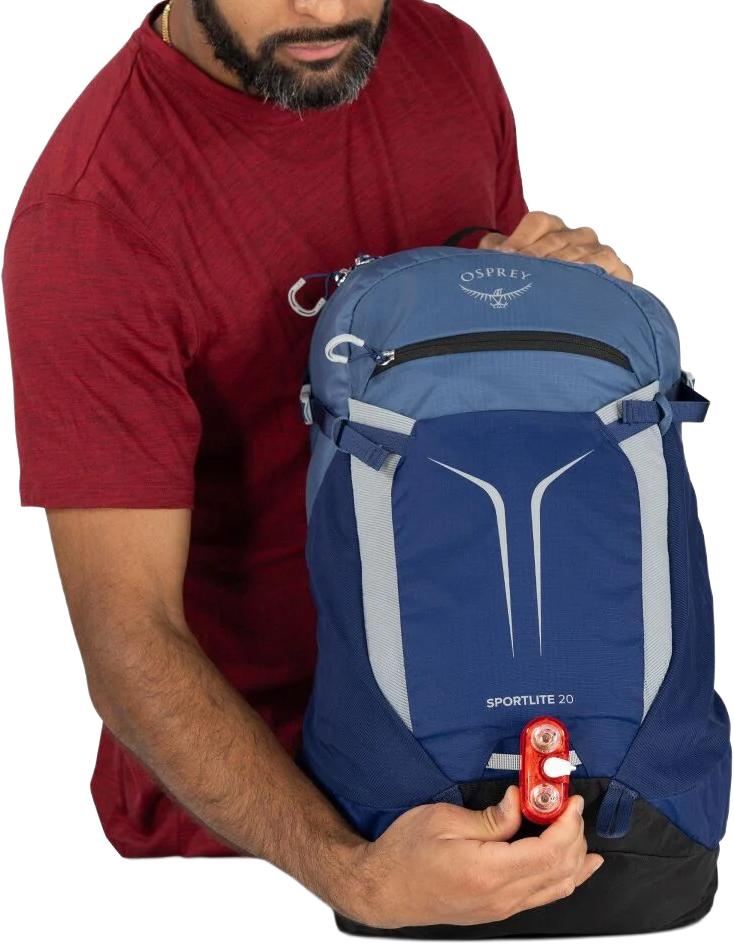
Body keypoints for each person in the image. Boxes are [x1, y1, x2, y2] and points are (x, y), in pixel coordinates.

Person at [4, 0, 627, 929]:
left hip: (489, 705)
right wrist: (354, 876)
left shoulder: (444, 59)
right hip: (269, 827)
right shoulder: (91, 222)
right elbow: (128, 639)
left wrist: (550, 297)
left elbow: (485, 393)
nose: (328, 11)